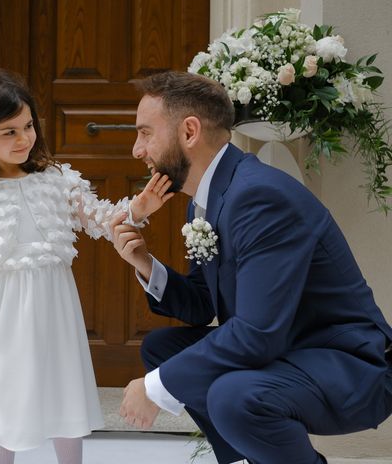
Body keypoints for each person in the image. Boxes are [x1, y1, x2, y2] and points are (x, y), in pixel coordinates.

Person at [111, 70, 392, 464]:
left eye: (145, 133)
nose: (137, 150)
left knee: (234, 396)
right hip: (285, 348)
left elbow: (257, 333)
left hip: (345, 365)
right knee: (164, 348)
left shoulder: (259, 197)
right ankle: (245, 460)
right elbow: (202, 306)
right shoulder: (207, 198)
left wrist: (155, 389)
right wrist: (144, 263)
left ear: (189, 131)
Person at [0, 69, 174, 464]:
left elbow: (101, 218)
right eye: (9, 132)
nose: (24, 138)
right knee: (4, 391)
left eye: (28, 126)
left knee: (62, 386)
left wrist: (137, 209)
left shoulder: (58, 180)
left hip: (53, 306)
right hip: (1, 314)